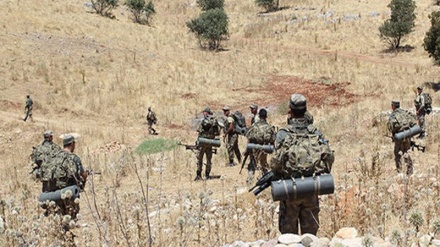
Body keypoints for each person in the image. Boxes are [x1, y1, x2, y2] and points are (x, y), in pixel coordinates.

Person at [271, 94, 334, 235]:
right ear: (305, 110)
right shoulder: (315, 132)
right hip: (311, 188)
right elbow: (328, 156)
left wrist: (279, 174)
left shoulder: (283, 134)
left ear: (290, 111)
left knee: (288, 237)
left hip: (290, 191)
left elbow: (275, 163)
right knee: (310, 236)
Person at [42, 134, 88, 219]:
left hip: (53, 192)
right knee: (71, 217)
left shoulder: (53, 156)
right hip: (68, 194)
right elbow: (83, 174)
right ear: (71, 144)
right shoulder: (74, 158)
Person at [245, 108, 275, 184]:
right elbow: (272, 140)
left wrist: (247, 150)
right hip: (264, 148)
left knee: (252, 164)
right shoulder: (269, 127)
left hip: (254, 147)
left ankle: (250, 180)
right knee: (264, 164)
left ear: (259, 116)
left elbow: (248, 137)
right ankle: (266, 180)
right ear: (266, 116)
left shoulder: (254, 126)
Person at [387, 100, 414, 174]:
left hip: (399, 136)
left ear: (393, 106)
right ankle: (410, 170)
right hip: (408, 134)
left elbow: (390, 127)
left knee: (398, 153)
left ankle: (399, 171)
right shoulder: (405, 112)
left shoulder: (393, 115)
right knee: (406, 152)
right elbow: (413, 122)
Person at [195, 107, 220, 180]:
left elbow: (199, 130)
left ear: (206, 112)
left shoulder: (204, 121)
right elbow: (217, 132)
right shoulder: (214, 121)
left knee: (200, 158)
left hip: (203, 142)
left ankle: (199, 175)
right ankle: (207, 175)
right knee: (209, 159)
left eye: (204, 112)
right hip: (210, 142)